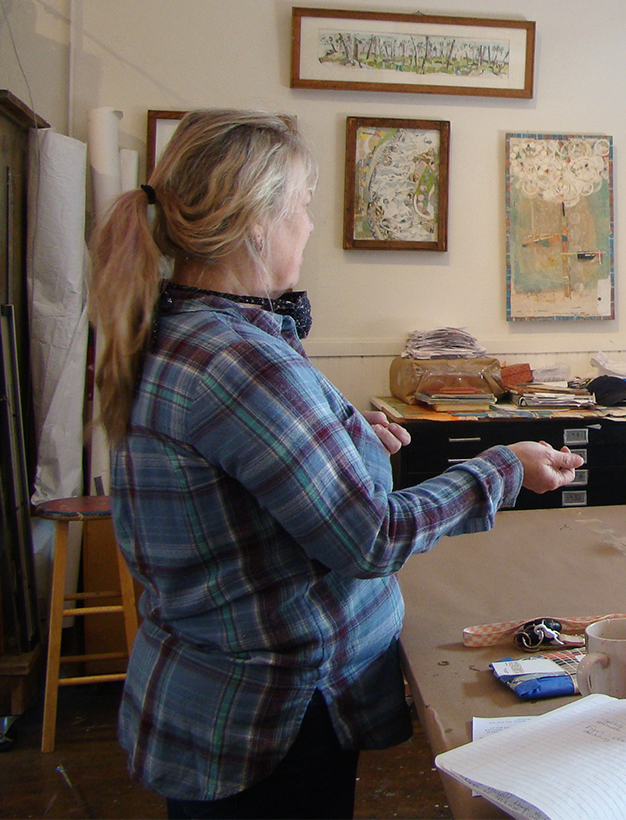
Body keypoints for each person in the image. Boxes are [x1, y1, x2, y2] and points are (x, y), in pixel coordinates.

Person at [88, 109, 583, 819]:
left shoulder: (191, 334)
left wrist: (345, 440)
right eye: (302, 206)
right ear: (258, 223)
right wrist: (504, 466)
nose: (310, 225)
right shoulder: (238, 361)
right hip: (269, 718)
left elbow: (254, 494)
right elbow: (371, 537)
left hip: (224, 697)